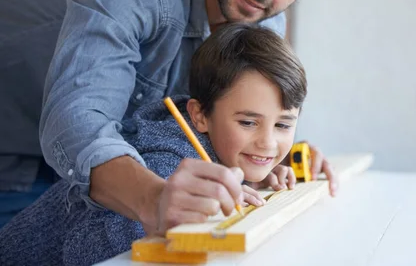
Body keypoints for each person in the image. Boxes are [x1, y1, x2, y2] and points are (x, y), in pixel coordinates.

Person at [0, 0, 349, 231]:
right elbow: (77, 117)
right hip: (16, 155)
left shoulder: (262, 17)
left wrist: (270, 153)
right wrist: (153, 198)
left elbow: (219, 118)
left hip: (113, 167)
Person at [0, 23, 310, 265]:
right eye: (248, 122)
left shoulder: (227, 148)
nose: (268, 143)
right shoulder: (165, 163)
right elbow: (82, 251)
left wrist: (259, 176)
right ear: (199, 116)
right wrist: (163, 220)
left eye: (283, 124)